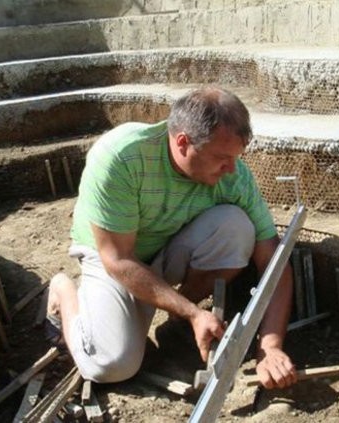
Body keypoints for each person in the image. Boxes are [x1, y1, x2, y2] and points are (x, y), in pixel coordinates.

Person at [47, 86, 297, 389]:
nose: (232, 169)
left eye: (236, 157)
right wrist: (194, 313)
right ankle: (64, 292)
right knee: (111, 366)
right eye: (221, 157)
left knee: (236, 227)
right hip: (112, 257)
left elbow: (274, 263)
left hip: (165, 248)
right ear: (182, 143)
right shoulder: (121, 158)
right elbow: (118, 259)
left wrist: (269, 347)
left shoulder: (234, 175)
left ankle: (175, 323)